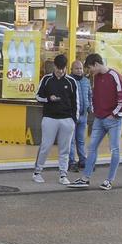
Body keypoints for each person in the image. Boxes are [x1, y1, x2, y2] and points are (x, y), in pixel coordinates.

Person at [72, 52, 122, 190]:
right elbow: (95, 95)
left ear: (96, 64)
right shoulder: (96, 77)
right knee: (91, 148)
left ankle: (109, 180)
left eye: (90, 68)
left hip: (113, 120)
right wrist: (96, 111)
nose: (90, 71)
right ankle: (85, 178)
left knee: (114, 149)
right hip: (100, 118)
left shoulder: (114, 75)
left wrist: (113, 113)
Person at [34, 53, 79, 183]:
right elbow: (37, 96)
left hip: (67, 119)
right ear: (54, 66)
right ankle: (37, 172)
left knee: (65, 149)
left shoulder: (71, 81)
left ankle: (63, 175)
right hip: (50, 118)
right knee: (46, 146)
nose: (60, 71)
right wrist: (48, 99)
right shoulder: (46, 79)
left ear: (66, 67)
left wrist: (73, 120)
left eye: (63, 68)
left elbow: (76, 101)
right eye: (58, 68)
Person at [70, 58, 92, 173]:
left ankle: (83, 160)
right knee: (71, 141)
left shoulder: (86, 81)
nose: (79, 70)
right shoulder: (69, 81)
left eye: (81, 68)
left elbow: (90, 95)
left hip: (83, 115)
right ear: (72, 69)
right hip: (72, 115)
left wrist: (90, 107)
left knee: (81, 139)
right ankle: (72, 162)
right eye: (77, 68)